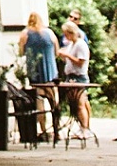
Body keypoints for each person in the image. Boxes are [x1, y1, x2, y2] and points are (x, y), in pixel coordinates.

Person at [21, 10, 58, 137]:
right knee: (53, 101)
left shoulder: (25, 33)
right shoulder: (49, 33)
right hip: (50, 72)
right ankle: (57, 129)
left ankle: (43, 130)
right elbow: (56, 51)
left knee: (39, 101)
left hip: (34, 72)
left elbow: (20, 51)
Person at [58, 12, 94, 140]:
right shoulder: (71, 45)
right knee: (75, 105)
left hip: (78, 77)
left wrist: (67, 56)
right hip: (71, 76)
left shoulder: (80, 44)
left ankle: (85, 128)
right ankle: (81, 127)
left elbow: (80, 61)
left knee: (80, 104)